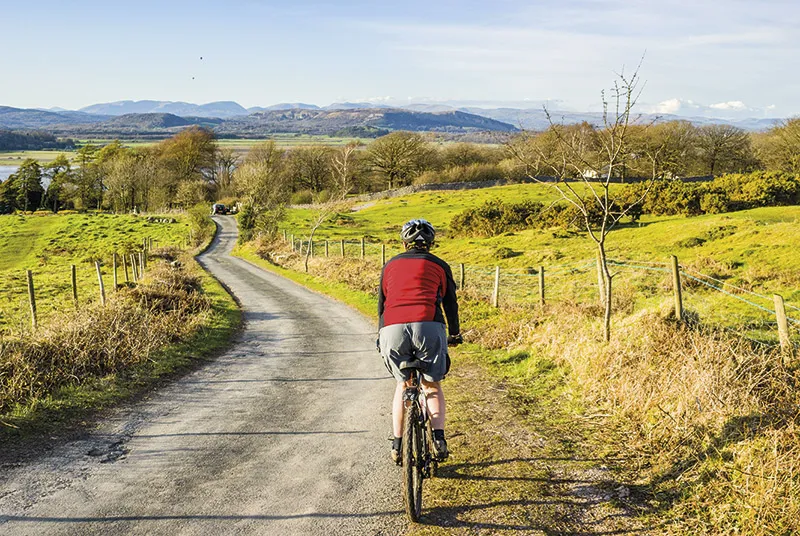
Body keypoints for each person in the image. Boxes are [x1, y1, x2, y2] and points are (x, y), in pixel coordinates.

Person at [377, 219, 462, 465]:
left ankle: (397, 444)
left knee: (402, 386)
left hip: (391, 329)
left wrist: (380, 335)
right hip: (429, 326)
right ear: (431, 243)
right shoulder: (439, 265)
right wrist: (454, 334)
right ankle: (438, 439)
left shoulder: (390, 265)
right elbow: (450, 303)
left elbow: (382, 304)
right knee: (432, 384)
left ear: (404, 243)